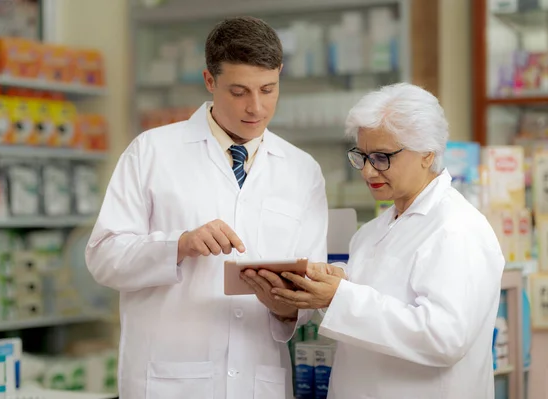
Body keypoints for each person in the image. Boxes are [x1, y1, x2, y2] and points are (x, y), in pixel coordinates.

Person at [85, 16, 328, 399]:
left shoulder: (303, 171)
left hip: (257, 380)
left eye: (268, 89)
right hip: (169, 380)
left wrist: (285, 306)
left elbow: (311, 289)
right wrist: (179, 245)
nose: (256, 108)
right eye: (239, 91)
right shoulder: (151, 153)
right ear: (210, 81)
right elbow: (102, 257)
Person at [272, 83, 505, 399]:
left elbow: (445, 337)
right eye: (362, 156)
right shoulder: (373, 231)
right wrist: (335, 284)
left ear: (427, 153)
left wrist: (340, 298)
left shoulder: (456, 228)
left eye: (382, 157)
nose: (368, 171)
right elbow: (371, 311)